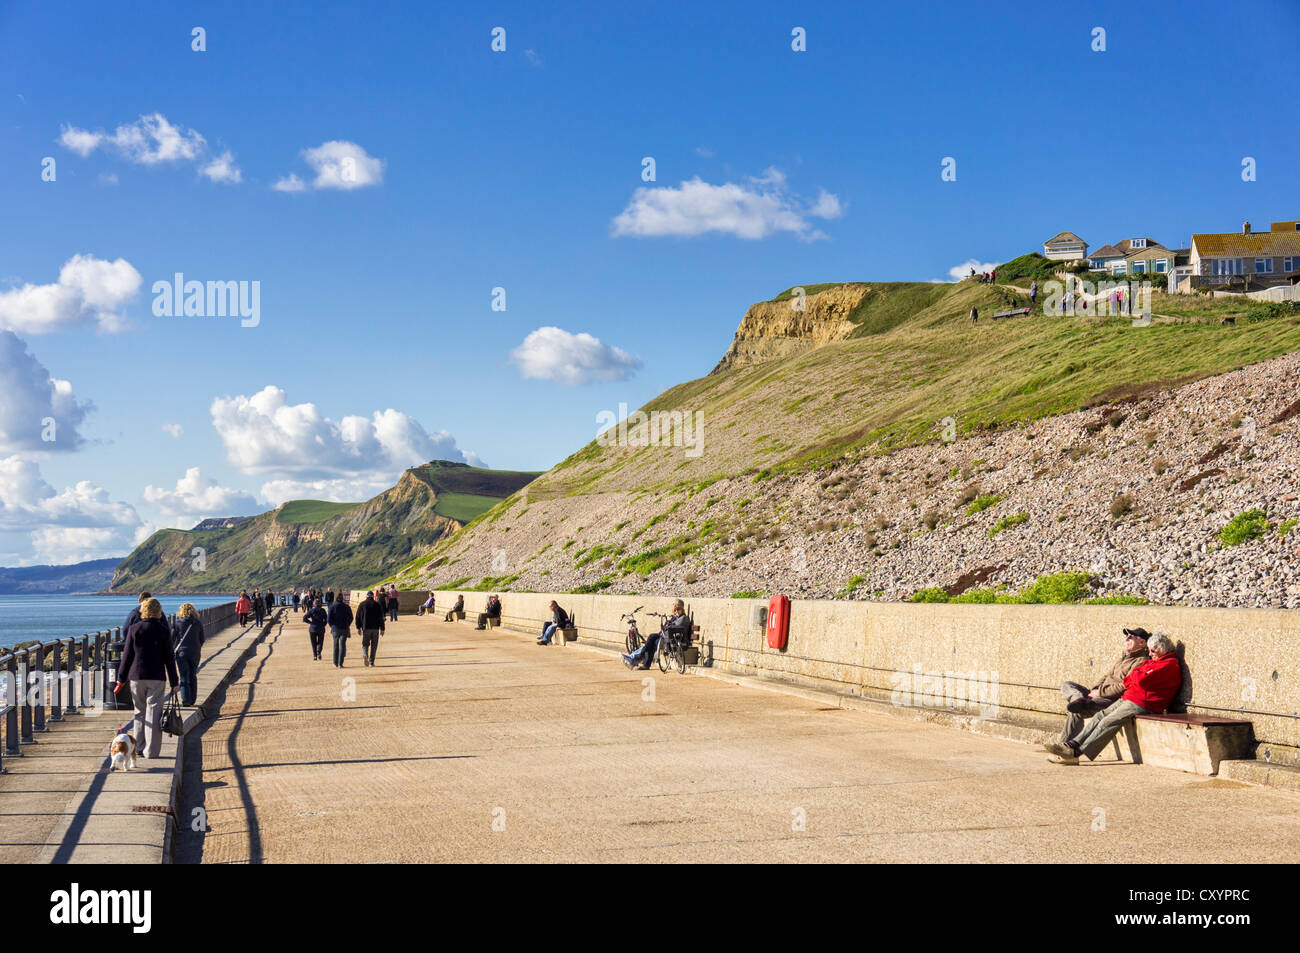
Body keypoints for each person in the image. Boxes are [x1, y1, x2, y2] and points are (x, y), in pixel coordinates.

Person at [1048, 632, 1183, 764]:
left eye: (1153, 651)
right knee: (1099, 716)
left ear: (1161, 649)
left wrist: (1133, 678)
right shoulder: (1151, 662)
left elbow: (1139, 679)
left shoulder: (1168, 665)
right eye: (1149, 650)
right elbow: (1133, 677)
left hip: (1143, 703)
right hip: (1130, 697)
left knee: (1108, 721)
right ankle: (1072, 744)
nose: (1150, 654)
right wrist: (1096, 689)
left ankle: (1075, 753)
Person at [1053, 628, 1149, 749]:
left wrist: (1100, 692)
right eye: (1126, 636)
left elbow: (1124, 686)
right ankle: (1079, 698)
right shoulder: (1124, 657)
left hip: (1111, 699)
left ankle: (1063, 746)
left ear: (1142, 643)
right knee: (1067, 685)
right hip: (1098, 693)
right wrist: (1095, 689)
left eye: (1130, 637)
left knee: (1078, 710)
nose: (1126, 639)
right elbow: (1106, 676)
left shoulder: (1141, 661)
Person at [114, 598, 179, 760]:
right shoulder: (164, 630)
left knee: (139, 713)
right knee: (154, 713)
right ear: (159, 611)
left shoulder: (134, 629)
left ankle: (139, 747)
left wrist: (120, 679)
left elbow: (127, 656)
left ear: (143, 610)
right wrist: (174, 681)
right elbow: (169, 658)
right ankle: (151, 751)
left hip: (136, 676)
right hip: (157, 676)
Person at [621, 600, 689, 670]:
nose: (677, 611)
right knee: (651, 638)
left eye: (678, 609)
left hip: (671, 640)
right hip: (666, 637)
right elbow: (668, 626)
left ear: (682, 609)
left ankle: (638, 658)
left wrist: (668, 624)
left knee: (651, 642)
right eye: (675, 610)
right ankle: (638, 658)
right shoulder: (675, 617)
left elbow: (674, 628)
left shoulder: (683, 618)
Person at [170, 602, 206, 706]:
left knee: (184, 676)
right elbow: (202, 639)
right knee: (193, 675)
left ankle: (186, 700)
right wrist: (197, 647)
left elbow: (172, 639)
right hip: (195, 652)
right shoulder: (197, 623)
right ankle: (193, 699)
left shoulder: (177, 623)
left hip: (181, 652)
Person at [355, 591, 385, 666]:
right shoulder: (377, 605)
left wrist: (358, 627)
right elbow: (381, 618)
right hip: (375, 628)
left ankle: (365, 654)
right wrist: (382, 629)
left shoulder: (362, 604)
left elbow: (357, 617)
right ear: (373, 596)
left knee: (365, 644)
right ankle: (371, 662)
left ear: (366, 596)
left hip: (366, 628)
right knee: (374, 645)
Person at [327, 594, 354, 667]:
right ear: (343, 599)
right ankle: (340, 663)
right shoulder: (346, 606)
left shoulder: (332, 606)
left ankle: (335, 663)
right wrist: (348, 624)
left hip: (335, 628)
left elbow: (328, 619)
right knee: (342, 645)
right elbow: (351, 617)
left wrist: (332, 625)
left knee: (335, 645)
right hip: (344, 628)